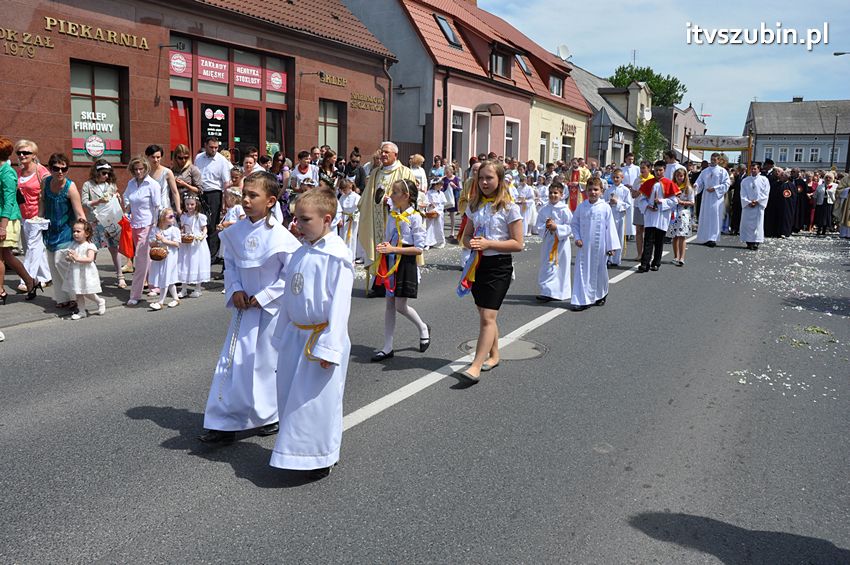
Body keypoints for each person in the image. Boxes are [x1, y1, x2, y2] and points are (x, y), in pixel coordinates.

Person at [200, 172, 301, 444]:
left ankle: (268, 415)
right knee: (232, 363)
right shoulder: (234, 233)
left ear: (270, 201)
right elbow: (230, 265)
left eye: (253, 195)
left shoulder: (281, 237)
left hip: (270, 311)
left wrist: (266, 296)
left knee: (266, 364)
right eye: (244, 193)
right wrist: (234, 290)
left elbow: (290, 275)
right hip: (243, 308)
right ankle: (223, 421)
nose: (245, 199)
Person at [269, 187, 353, 479]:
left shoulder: (337, 256)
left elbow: (340, 306)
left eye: (304, 220)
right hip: (296, 334)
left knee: (317, 402)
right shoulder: (301, 251)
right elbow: (290, 297)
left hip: (321, 337)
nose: (297, 225)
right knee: (290, 395)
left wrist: (331, 348)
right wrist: (281, 334)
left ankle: (320, 456)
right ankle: (293, 453)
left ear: (327, 219)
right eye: (296, 219)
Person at [457, 160, 523, 382]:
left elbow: (518, 244)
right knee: (484, 313)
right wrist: (473, 244)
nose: (484, 182)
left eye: (489, 178)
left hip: (499, 266)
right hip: (478, 264)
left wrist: (489, 244)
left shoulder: (509, 207)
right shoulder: (474, 206)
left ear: (500, 180)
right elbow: (465, 236)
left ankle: (475, 365)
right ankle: (494, 355)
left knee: (488, 316)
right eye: (481, 178)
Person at [371, 179, 430, 361]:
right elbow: (390, 236)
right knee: (389, 304)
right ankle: (387, 347)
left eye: (395, 193)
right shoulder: (393, 213)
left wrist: (394, 249)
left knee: (400, 306)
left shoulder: (415, 217)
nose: (392, 196)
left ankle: (423, 327)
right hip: (390, 260)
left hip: (405, 262)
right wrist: (385, 246)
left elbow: (419, 248)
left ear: (406, 196)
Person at [358, 142, 416, 297]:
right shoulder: (376, 173)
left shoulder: (405, 172)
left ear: (395, 155)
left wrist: (390, 202)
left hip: (396, 220)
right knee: (378, 250)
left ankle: (396, 283)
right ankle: (379, 285)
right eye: (382, 152)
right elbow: (367, 197)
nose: (383, 155)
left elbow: (410, 196)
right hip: (377, 221)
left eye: (386, 152)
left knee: (394, 250)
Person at [41, 152, 85, 309]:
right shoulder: (45, 182)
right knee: (52, 264)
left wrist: (84, 234)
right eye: (56, 168)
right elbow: (43, 203)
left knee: (62, 262)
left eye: (64, 169)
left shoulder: (70, 187)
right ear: (50, 168)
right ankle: (62, 298)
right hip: (49, 229)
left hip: (66, 230)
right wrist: (39, 221)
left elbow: (79, 212)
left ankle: (75, 297)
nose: (60, 172)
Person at [570, 177, 620, 310]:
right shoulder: (582, 207)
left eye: (596, 190)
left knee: (599, 270)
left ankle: (601, 293)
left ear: (601, 191)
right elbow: (574, 224)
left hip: (600, 246)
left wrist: (611, 247)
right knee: (582, 271)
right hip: (584, 246)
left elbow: (610, 228)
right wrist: (577, 238)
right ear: (586, 191)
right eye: (590, 190)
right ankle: (582, 299)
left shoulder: (605, 208)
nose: (593, 192)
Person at [1, 137, 40, 304]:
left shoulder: (7, 173)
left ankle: (1, 291)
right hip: (3, 218)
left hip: (7, 220)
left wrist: (3, 227)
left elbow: (9, 201)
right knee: (7, 256)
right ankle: (31, 282)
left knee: (2, 256)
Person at [123, 156, 162, 306]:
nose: (138, 172)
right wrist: (127, 208)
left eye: (141, 169)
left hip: (148, 224)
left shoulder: (152, 185)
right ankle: (155, 285)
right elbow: (127, 197)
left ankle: (135, 294)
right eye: (136, 169)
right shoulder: (131, 183)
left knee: (139, 259)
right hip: (134, 224)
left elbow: (157, 207)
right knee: (146, 257)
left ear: (146, 169)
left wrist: (155, 228)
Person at [14, 139, 51, 292]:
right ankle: (45, 276)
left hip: (38, 215)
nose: (22, 155)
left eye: (26, 152)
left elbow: (49, 191)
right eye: (19, 152)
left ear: (34, 155)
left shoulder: (41, 171)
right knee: (37, 248)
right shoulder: (19, 172)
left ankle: (27, 278)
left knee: (32, 247)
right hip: (23, 215)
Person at [80, 160, 124, 287]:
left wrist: (117, 197)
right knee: (93, 250)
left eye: (109, 173)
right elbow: (84, 202)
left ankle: (120, 276)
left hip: (110, 220)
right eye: (104, 173)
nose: (106, 176)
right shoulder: (88, 185)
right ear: (96, 172)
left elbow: (116, 199)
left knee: (114, 248)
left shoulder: (111, 185)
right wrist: (98, 201)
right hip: (94, 221)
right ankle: (91, 278)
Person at [58, 219, 106, 319]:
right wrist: (69, 258)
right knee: (78, 292)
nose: (75, 234)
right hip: (75, 272)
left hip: (86, 272)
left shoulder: (89, 246)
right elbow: (69, 257)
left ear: (87, 233)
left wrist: (77, 258)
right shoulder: (73, 245)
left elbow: (90, 259)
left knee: (88, 292)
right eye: (74, 231)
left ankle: (100, 301)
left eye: (78, 231)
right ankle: (81, 311)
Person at [637, 161, 680, 272]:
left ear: (664, 170)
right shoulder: (648, 183)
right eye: (656, 170)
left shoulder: (669, 183)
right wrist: (648, 206)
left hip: (662, 215)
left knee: (659, 241)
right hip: (651, 215)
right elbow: (641, 199)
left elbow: (674, 200)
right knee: (648, 240)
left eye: (660, 170)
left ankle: (656, 262)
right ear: (653, 170)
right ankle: (644, 263)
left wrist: (661, 201)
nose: (658, 172)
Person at [195, 137, 232, 260]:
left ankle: (211, 255)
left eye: (216, 147)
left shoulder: (222, 161)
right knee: (199, 222)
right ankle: (200, 252)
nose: (214, 150)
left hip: (214, 193)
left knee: (212, 224)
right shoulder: (198, 158)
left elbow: (226, 182)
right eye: (211, 147)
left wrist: (225, 201)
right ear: (205, 145)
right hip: (200, 193)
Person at [535, 181, 572, 302]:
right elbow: (538, 225)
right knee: (547, 265)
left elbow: (570, 226)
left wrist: (557, 228)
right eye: (550, 193)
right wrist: (545, 227)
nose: (553, 195)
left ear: (561, 194)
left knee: (559, 266)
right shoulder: (544, 209)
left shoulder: (565, 209)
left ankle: (560, 292)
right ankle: (547, 291)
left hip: (561, 243)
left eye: (556, 193)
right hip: (548, 242)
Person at [694, 153, 730, 247]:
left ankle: (713, 238)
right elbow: (699, 182)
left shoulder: (722, 171)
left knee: (715, 217)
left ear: (718, 160)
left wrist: (715, 188)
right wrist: (696, 186)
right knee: (705, 217)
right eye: (711, 159)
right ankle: (705, 238)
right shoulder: (705, 171)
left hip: (716, 198)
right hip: (706, 197)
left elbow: (726, 184)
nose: (713, 161)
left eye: (715, 159)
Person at [178, 195, 211, 297]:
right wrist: (181, 233)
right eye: (187, 204)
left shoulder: (200, 217)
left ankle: (197, 288)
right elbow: (183, 229)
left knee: (197, 263)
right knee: (184, 264)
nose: (189, 206)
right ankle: (183, 289)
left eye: (192, 204)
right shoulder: (183, 217)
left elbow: (204, 229)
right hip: (187, 243)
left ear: (196, 205)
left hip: (197, 243)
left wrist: (202, 235)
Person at [148, 208, 181, 310]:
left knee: (165, 277)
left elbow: (177, 244)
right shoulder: (155, 229)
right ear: (162, 218)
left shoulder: (174, 230)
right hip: (160, 257)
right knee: (169, 279)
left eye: (173, 216)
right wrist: (157, 241)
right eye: (170, 216)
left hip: (170, 257)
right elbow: (150, 243)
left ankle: (161, 301)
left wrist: (164, 240)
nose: (173, 218)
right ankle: (176, 299)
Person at [603, 169, 632, 267]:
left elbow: (628, 204)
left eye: (617, 177)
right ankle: (609, 258)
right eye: (614, 177)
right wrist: (609, 203)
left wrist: (618, 203)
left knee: (618, 237)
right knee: (609, 236)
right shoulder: (609, 190)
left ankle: (616, 259)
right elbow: (604, 202)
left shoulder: (625, 190)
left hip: (620, 216)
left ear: (622, 178)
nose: (615, 179)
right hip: (610, 215)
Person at [739, 162, 770, 250]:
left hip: (758, 206)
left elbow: (766, 193)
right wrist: (748, 202)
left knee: (758, 224)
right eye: (751, 169)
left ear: (759, 169)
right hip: (748, 206)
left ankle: (756, 242)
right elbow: (743, 193)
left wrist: (757, 201)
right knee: (747, 224)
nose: (753, 170)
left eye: (755, 169)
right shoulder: (745, 181)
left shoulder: (764, 180)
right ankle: (748, 242)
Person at [145, 144, 181, 216]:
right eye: (153, 157)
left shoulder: (167, 172)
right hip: (148, 208)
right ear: (147, 157)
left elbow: (174, 192)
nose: (156, 160)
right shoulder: (144, 173)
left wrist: (178, 208)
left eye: (158, 157)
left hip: (164, 207)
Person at [337, 179, 360, 259]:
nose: (343, 191)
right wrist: (339, 219)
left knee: (352, 238)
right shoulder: (342, 197)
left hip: (352, 220)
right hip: (344, 219)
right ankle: (343, 255)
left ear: (349, 187)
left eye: (344, 189)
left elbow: (359, 209)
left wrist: (354, 216)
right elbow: (339, 209)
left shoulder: (356, 197)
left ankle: (352, 256)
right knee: (343, 236)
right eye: (342, 190)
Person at [621, 153, 641, 241]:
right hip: (625, 192)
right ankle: (625, 231)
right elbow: (619, 180)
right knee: (626, 211)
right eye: (629, 159)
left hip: (634, 192)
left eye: (632, 159)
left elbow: (639, 179)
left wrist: (633, 186)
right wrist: (624, 185)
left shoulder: (637, 168)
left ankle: (633, 232)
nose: (631, 161)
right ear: (625, 159)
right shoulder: (622, 169)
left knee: (633, 212)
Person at [423, 177, 447, 249]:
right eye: (440, 185)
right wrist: (430, 204)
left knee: (439, 227)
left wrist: (437, 210)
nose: (441, 187)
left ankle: (441, 241)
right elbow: (426, 201)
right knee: (430, 227)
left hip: (439, 212)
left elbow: (442, 203)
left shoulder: (441, 194)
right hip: (431, 211)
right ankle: (428, 243)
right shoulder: (429, 192)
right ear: (435, 185)